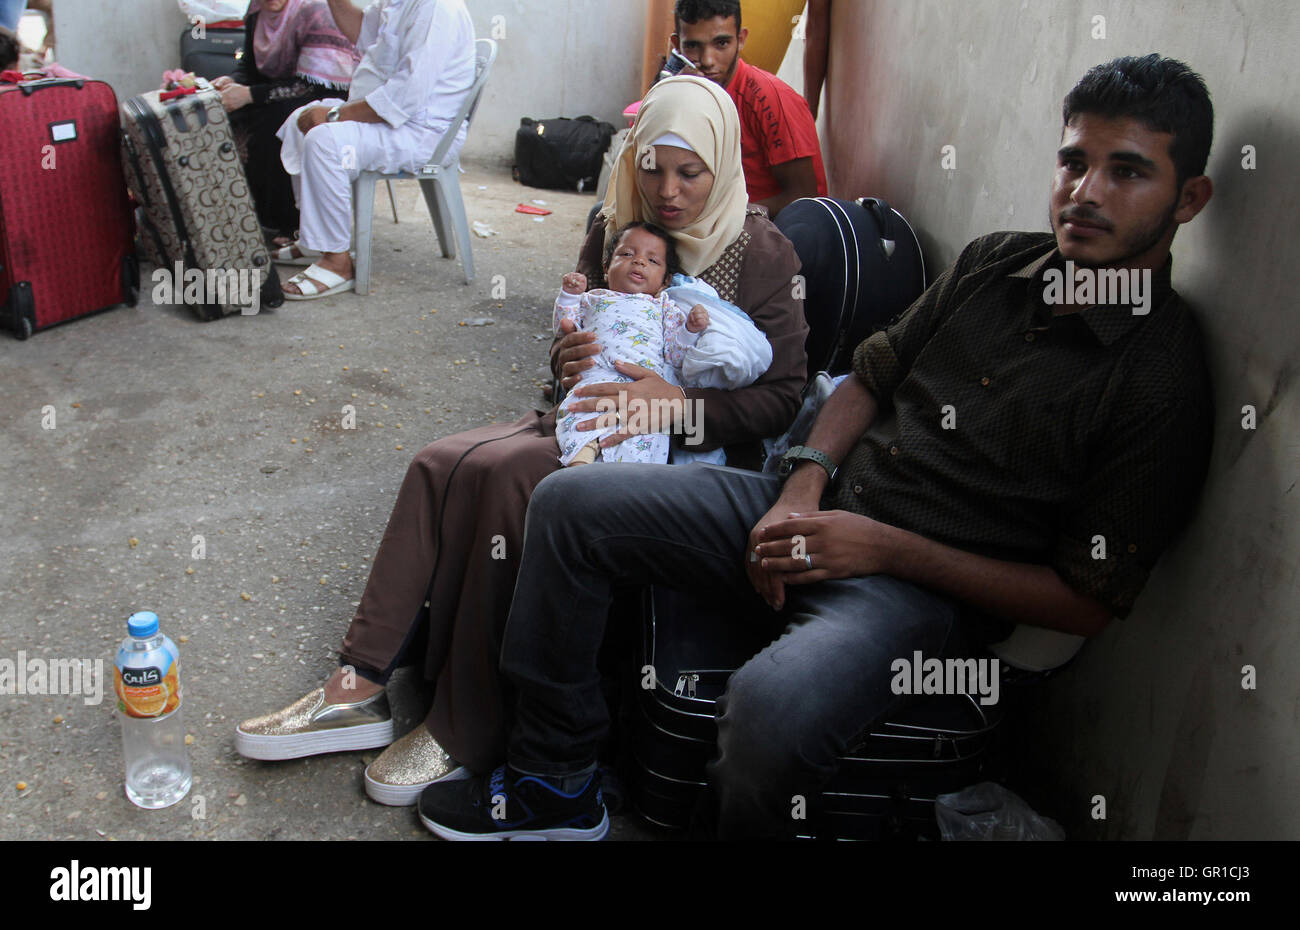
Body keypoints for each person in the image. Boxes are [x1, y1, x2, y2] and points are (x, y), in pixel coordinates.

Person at [415, 53, 1218, 841]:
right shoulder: (994, 265)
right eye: (1073, 162)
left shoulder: (1158, 378)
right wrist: (802, 489)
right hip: (800, 504)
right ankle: (556, 780)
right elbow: (867, 376)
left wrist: (880, 548)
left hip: (915, 594)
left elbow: (1086, 600)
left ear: (1189, 199)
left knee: (771, 712)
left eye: (1127, 172)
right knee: (568, 504)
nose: (1085, 194)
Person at [234, 75, 808, 811]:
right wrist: (563, 358)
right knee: (439, 464)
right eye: (652, 167)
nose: (668, 192)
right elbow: (573, 331)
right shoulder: (615, 223)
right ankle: (361, 681)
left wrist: (677, 409)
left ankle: (464, 726)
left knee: (506, 480)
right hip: (583, 418)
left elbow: (783, 397)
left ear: (722, 165)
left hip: (674, 454)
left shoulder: (760, 254)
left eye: (690, 172)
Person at [272, 0, 475, 299]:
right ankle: (315, 238)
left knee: (324, 140)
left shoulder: (436, 8)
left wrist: (335, 116)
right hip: (393, 120)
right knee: (298, 122)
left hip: (421, 132)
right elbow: (365, 33)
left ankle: (337, 262)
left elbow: (405, 98)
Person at [556, 222, 772, 467]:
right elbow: (565, 325)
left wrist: (690, 331)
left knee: (641, 439)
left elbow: (675, 355)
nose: (639, 262)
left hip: (647, 390)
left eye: (653, 261)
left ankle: (620, 481)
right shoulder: (593, 297)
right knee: (579, 419)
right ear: (606, 268)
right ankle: (578, 468)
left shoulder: (664, 308)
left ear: (665, 281)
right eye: (627, 254)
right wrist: (569, 295)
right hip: (597, 377)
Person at [211, 0, 360, 242]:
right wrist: (231, 82)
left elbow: (313, 86)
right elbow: (249, 68)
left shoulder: (316, 10)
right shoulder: (257, 11)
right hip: (276, 93)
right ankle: (243, 215)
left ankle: (290, 224)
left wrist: (250, 95)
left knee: (278, 122)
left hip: (326, 99)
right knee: (220, 115)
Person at [672, 0, 827, 218]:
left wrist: (722, 215)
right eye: (693, 46)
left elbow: (805, 197)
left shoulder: (770, 98)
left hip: (774, 232)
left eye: (722, 43)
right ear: (677, 45)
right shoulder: (680, 93)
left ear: (741, 39)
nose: (707, 60)